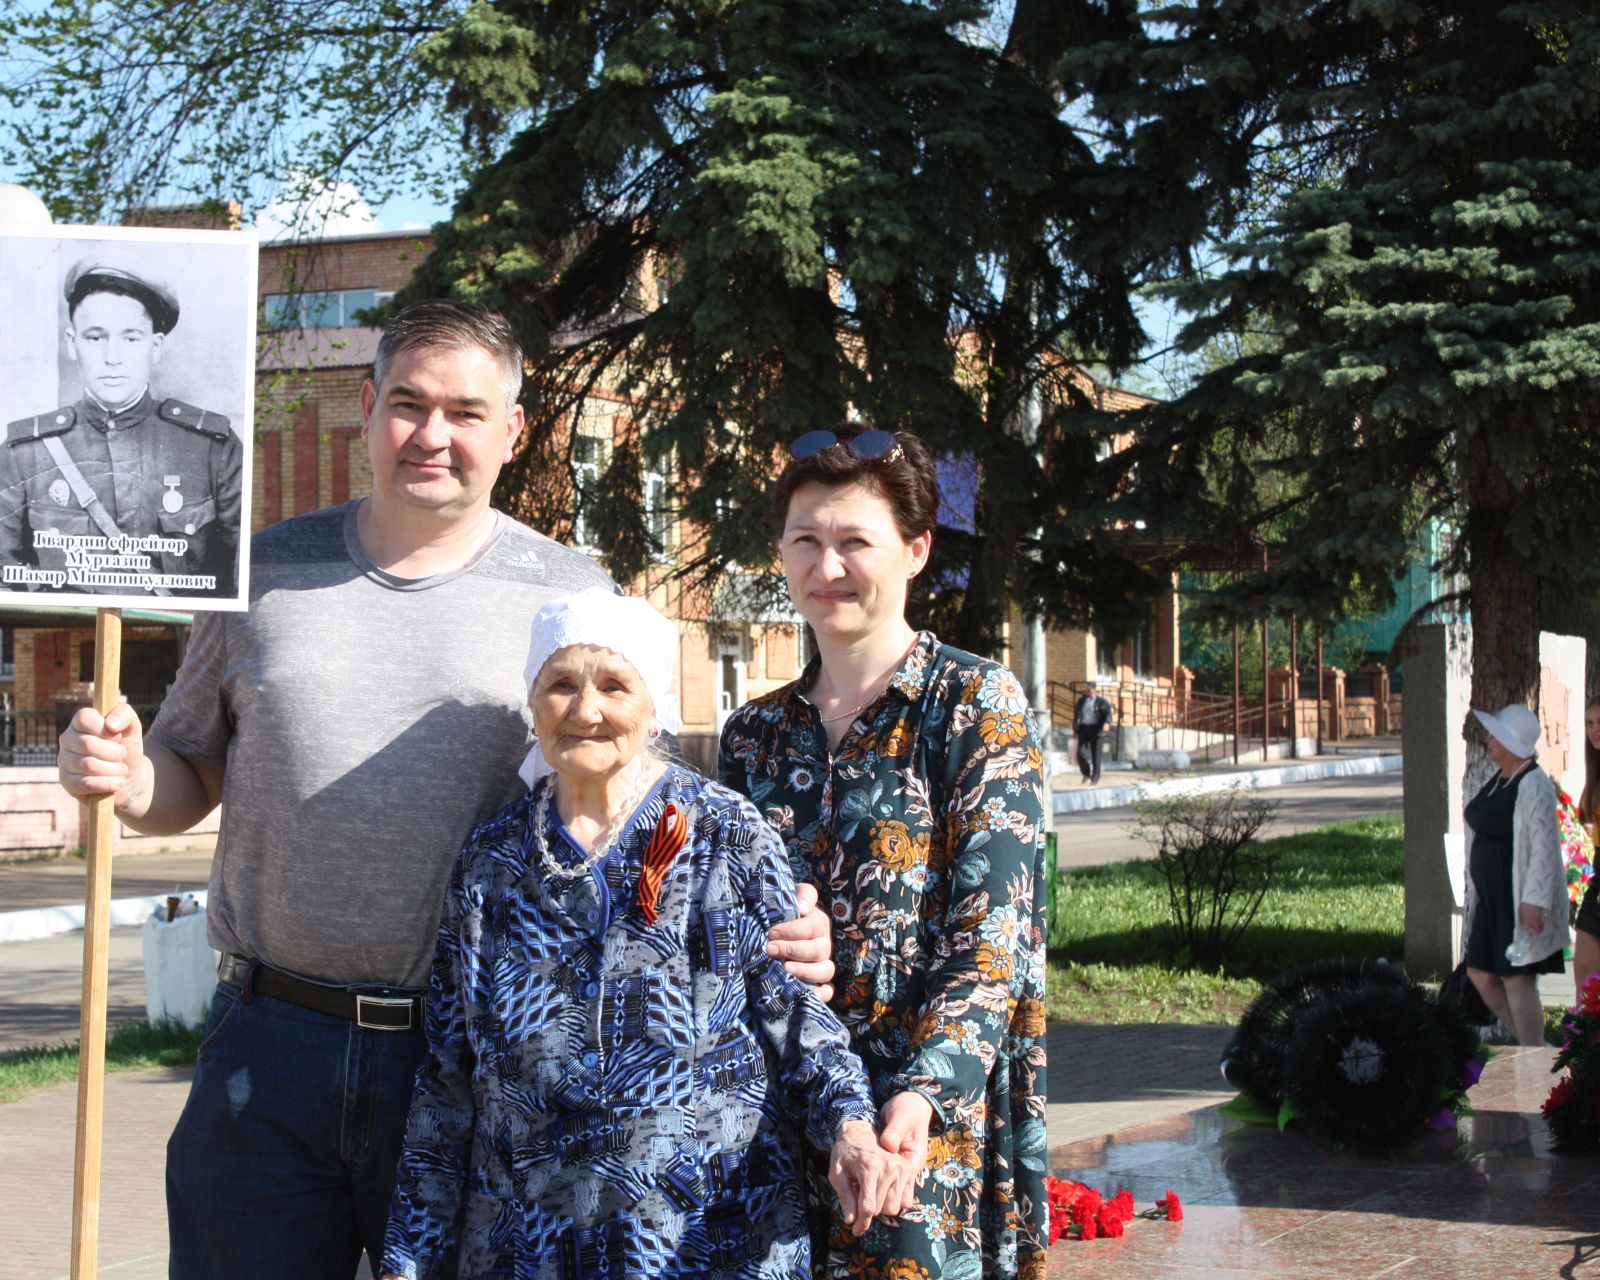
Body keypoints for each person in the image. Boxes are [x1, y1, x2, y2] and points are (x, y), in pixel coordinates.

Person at [55, 300, 835, 1279]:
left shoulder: (571, 597)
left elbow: (650, 818)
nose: (433, 435)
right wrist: (128, 775)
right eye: (409, 403)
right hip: (271, 1041)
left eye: (466, 412)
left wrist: (774, 916)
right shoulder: (258, 575)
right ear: (367, 406)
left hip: (486, 1069)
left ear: (512, 429)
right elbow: (188, 775)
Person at [380, 590, 901, 1279]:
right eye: (561, 684)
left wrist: (851, 1128)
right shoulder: (492, 859)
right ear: (533, 708)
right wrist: (406, 1258)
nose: (587, 710)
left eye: (614, 685)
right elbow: (447, 1075)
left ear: (654, 706)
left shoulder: (724, 833)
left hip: (709, 1239)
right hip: (526, 1246)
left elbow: (796, 1013)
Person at [718, 426, 1050, 1279]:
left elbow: (993, 935)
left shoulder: (973, 704)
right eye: (806, 542)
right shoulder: (754, 735)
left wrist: (923, 1094)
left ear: (916, 550)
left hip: (921, 1123)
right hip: (781, 1114)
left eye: (855, 542)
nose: (827, 568)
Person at [0, 258, 244, 598]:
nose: (113, 357)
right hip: (70, 638)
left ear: (156, 347)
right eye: (95, 337)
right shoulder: (24, 454)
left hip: (180, 643)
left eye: (131, 339)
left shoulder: (213, 449)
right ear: (71, 343)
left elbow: (238, 581)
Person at [1462, 703, 1571, 1048]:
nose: (1489, 740)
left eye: (1495, 734)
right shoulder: (1500, 778)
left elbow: (1543, 849)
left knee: (1516, 979)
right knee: (1479, 971)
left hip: (1517, 899)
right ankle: (1534, 1045)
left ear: (1511, 743)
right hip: (1492, 900)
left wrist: (1533, 901)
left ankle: (1534, 1056)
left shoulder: (1534, 783)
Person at [1574, 699, 1600, 995]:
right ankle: (1584, 1040)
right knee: (1584, 970)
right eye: (1589, 722)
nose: (1595, 729)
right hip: (1597, 879)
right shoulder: (1594, 771)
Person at [1071, 679, 1114, 783]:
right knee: (1079, 753)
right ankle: (1086, 773)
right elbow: (1077, 716)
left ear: (1094, 690)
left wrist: (1106, 723)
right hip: (1084, 729)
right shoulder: (1081, 701)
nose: (1087, 690)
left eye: (1089, 688)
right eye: (1086, 688)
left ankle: (1095, 777)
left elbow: (1107, 713)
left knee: (1096, 754)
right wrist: (1075, 730)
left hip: (1096, 729)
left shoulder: (1101, 701)